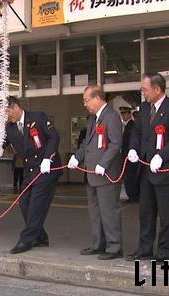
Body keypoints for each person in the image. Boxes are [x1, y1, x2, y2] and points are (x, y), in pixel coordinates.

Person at [0, 96, 62, 254]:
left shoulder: (38, 117)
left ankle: (26, 240)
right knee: (24, 203)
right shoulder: (9, 128)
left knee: (37, 205)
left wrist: (47, 158)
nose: (6, 116)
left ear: (16, 107)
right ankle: (41, 236)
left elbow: (54, 137)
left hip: (47, 169)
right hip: (30, 170)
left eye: (7, 112)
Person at [126, 73, 169, 261]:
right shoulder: (144, 108)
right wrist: (133, 149)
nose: (142, 92)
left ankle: (164, 252)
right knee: (146, 212)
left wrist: (161, 156)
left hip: (166, 171)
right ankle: (144, 249)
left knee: (167, 215)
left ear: (157, 89)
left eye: (145, 89)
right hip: (145, 170)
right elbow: (136, 131)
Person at [68, 85, 123, 260]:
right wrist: (77, 157)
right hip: (91, 174)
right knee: (95, 212)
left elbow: (115, 144)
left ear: (97, 98)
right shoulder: (93, 119)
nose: (85, 104)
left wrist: (104, 163)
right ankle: (98, 243)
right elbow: (86, 144)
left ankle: (114, 247)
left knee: (109, 211)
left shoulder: (112, 117)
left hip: (105, 174)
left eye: (86, 100)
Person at [120, 106, 139, 203]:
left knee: (131, 176)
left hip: (130, 156)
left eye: (124, 113)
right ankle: (131, 195)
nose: (123, 115)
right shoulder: (125, 126)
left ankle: (133, 196)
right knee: (127, 176)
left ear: (129, 114)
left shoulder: (132, 125)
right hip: (125, 156)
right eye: (122, 114)